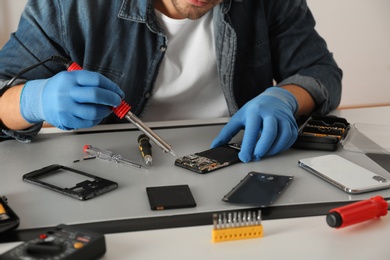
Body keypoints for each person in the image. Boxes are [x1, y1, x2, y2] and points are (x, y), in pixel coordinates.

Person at [0, 0, 342, 162]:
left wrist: (286, 98)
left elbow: (320, 70)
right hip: (111, 165)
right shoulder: (67, 6)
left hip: (239, 159)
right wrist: (34, 100)